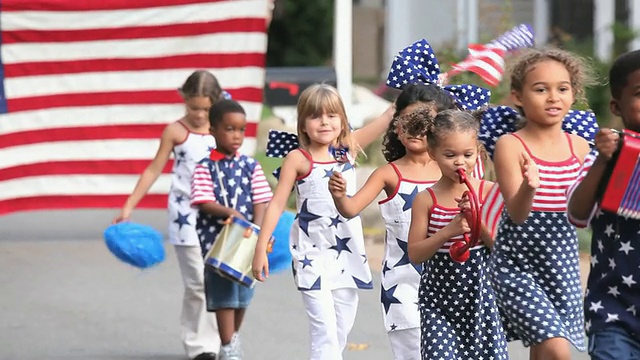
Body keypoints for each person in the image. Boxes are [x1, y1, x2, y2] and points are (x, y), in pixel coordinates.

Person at [251, 83, 394, 360]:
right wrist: (260, 246)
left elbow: (387, 117)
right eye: (316, 116)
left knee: (340, 328)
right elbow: (277, 203)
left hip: (347, 254)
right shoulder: (298, 158)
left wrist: (424, 88)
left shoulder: (347, 149)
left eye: (331, 115)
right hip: (311, 254)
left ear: (342, 120)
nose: (324, 122)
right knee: (325, 331)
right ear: (303, 124)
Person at [327, 84, 456, 360]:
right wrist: (339, 196)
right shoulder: (389, 174)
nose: (416, 128)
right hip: (403, 286)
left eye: (425, 121)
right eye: (407, 120)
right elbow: (351, 208)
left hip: (450, 283)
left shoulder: (453, 170)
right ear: (397, 127)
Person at [486, 47, 595, 359]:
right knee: (557, 350)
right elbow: (517, 214)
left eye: (562, 89)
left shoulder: (580, 147)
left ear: (574, 94)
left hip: (561, 265)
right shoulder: (511, 145)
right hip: (516, 266)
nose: (553, 97)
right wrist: (529, 188)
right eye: (540, 89)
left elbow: (584, 214)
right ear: (518, 96)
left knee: (544, 349)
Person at [113, 70, 224, 360]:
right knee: (197, 283)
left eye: (205, 109)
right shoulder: (176, 131)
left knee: (217, 278)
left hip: (218, 215)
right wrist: (129, 204)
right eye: (193, 107)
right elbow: (153, 168)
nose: (199, 115)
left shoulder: (223, 128)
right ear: (184, 101)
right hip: (185, 213)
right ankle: (200, 345)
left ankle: (219, 341)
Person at [403, 109, 508, 359]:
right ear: (432, 153)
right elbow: (415, 254)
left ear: (478, 153)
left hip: (483, 300)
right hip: (439, 302)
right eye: (450, 155)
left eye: (467, 154)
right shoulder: (425, 200)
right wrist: (449, 230)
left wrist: (477, 222)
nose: (460, 162)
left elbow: (504, 250)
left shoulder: (489, 192)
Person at [566, 49, 640, 360]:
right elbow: (577, 213)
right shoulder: (607, 156)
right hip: (613, 312)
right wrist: (603, 163)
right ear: (616, 105)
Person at [191, 99, 273, 360]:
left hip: (248, 239)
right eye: (229, 129)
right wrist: (231, 213)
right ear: (212, 130)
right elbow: (203, 200)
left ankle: (231, 341)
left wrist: (257, 228)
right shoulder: (205, 167)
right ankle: (228, 346)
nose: (236, 135)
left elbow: (261, 198)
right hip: (219, 241)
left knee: (242, 292)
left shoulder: (250, 166)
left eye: (241, 129)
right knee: (223, 290)